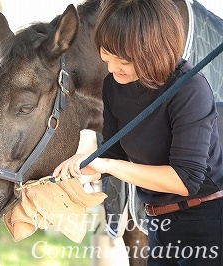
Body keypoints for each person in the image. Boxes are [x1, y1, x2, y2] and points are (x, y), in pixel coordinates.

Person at [52, 0, 223, 265]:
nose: (111, 68)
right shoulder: (114, 86)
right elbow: (114, 152)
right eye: (106, 56)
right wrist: (85, 167)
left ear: (151, 49)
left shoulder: (190, 89)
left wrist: (108, 164)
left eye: (122, 60)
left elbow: (185, 180)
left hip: (207, 220)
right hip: (158, 223)